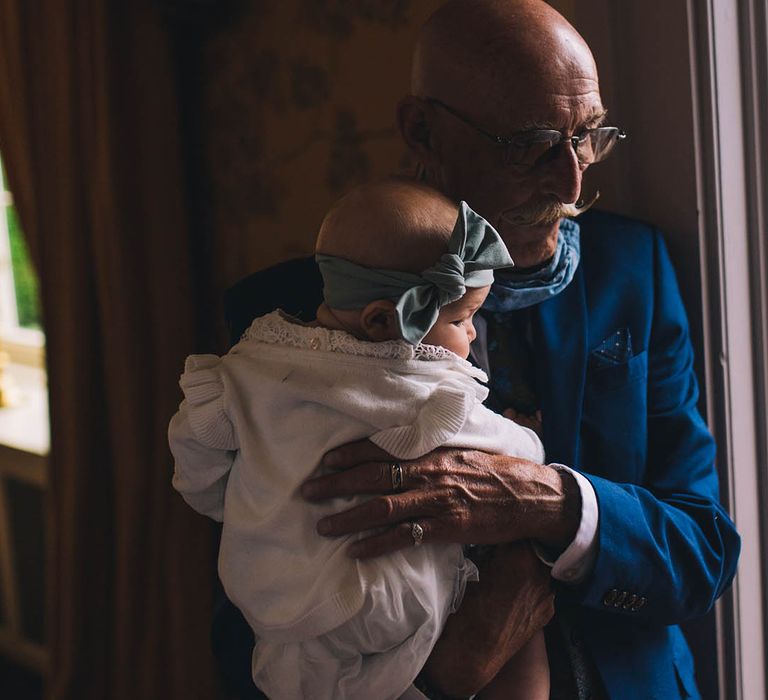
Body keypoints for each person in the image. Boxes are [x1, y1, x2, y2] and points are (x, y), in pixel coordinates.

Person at [217, 1, 742, 698]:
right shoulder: (287, 320)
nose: (572, 182)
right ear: (423, 130)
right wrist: (444, 678)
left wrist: (550, 502)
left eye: (587, 136)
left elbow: (703, 549)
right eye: (529, 143)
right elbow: (250, 617)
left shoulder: (631, 272)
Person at [170, 181, 553, 699]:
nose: (470, 335)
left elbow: (197, 462)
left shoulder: (246, 368)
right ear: (381, 321)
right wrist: (529, 439)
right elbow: (516, 461)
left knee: (298, 678)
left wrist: (241, 504)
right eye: (461, 319)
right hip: (382, 601)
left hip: (267, 591)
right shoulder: (419, 386)